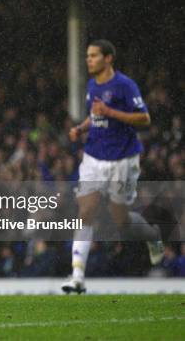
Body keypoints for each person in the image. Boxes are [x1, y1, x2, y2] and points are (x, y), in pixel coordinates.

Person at [62, 39, 164, 294]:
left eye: (94, 56)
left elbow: (144, 118)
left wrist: (111, 112)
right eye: (87, 56)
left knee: (122, 222)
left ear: (108, 58)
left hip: (123, 159)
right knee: (86, 211)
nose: (89, 60)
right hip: (94, 156)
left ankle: (152, 235)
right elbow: (95, 115)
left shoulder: (125, 85)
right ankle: (77, 277)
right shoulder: (91, 85)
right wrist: (80, 128)